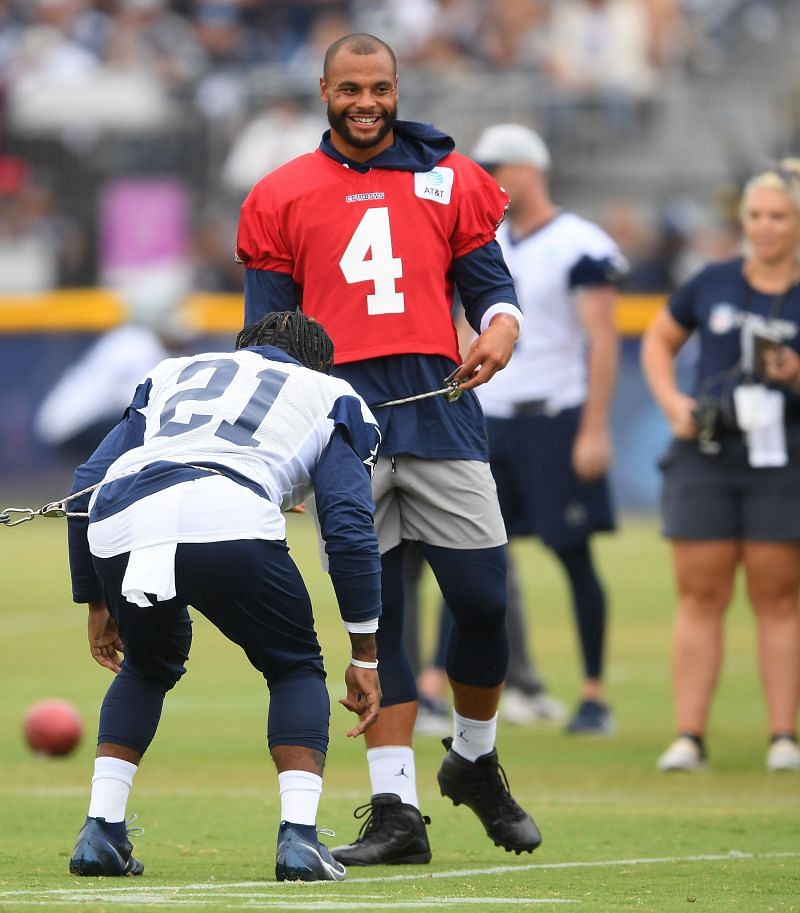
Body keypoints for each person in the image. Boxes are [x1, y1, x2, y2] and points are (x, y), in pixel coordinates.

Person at [235, 33, 542, 866]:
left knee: (482, 598)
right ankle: (396, 809)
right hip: (340, 427)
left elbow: (491, 285)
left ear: (397, 87)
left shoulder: (448, 177)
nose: (364, 102)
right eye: (349, 88)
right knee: (382, 615)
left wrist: (503, 329)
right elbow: (265, 338)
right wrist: (285, 448)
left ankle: (474, 758)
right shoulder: (278, 193)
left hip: (440, 412)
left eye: (378, 87)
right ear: (323, 90)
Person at [65, 311, 384, 882]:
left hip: (123, 513)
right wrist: (365, 653)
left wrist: (96, 600)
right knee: (295, 669)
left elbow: (87, 480)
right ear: (318, 362)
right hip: (230, 512)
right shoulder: (334, 393)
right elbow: (349, 523)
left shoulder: (172, 371)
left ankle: (100, 831)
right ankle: (299, 839)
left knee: (145, 666)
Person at [464, 122, 624, 733]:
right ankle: (443, 686)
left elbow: (602, 341)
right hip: (493, 416)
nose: (491, 181)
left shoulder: (579, 243)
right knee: (471, 555)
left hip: (555, 415)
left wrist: (594, 427)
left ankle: (593, 692)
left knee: (573, 554)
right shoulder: (484, 238)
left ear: (528, 170)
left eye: (498, 169)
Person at [641, 159, 800, 773]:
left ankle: (783, 736)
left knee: (777, 594)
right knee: (700, 592)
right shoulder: (713, 281)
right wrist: (673, 402)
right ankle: (689, 736)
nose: (764, 227)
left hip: (782, 455)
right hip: (707, 452)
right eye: (756, 215)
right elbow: (659, 340)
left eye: (778, 216)